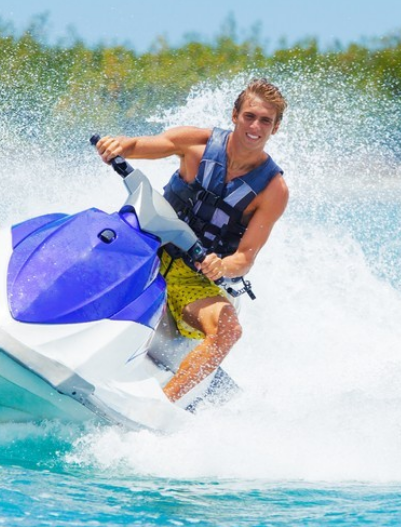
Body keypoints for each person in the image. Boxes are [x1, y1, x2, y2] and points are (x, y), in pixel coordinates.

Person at [94, 79, 289, 403]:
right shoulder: (195, 144)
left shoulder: (273, 190)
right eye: (249, 116)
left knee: (229, 331)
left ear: (275, 128)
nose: (255, 126)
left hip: (193, 275)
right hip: (147, 246)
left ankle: (163, 405)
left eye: (265, 121)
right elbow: (137, 146)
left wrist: (221, 265)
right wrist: (117, 146)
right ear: (235, 115)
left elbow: (245, 258)